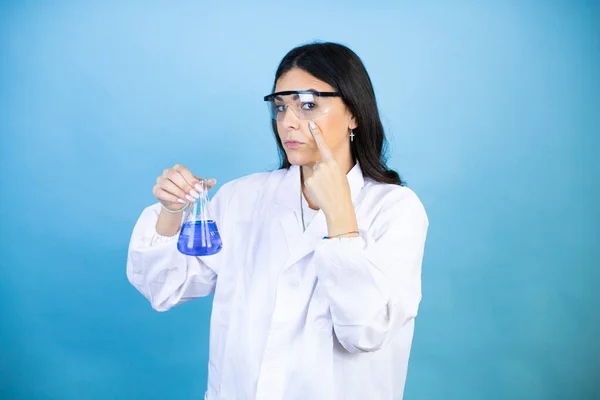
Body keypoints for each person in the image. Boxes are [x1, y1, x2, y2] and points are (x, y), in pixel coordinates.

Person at [127, 42, 429, 400]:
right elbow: (165, 288)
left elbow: (366, 332)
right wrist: (171, 210)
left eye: (308, 104)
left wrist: (342, 220)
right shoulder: (244, 197)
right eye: (281, 106)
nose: (288, 121)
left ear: (353, 113)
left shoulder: (395, 209)